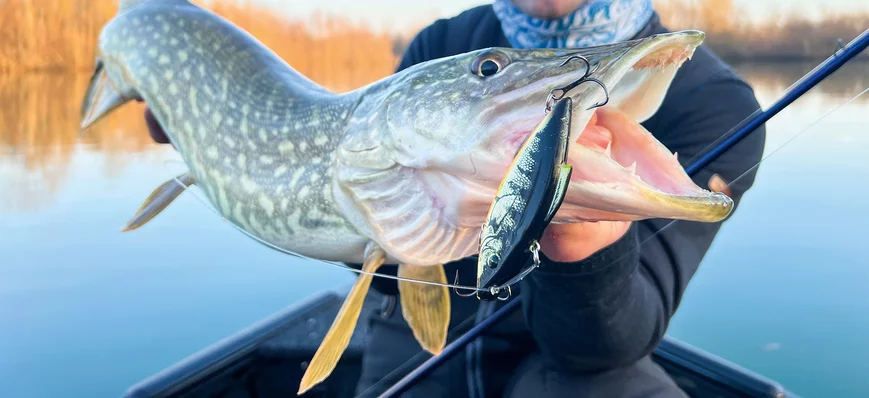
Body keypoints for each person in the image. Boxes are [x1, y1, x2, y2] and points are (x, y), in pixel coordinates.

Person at [144, 0, 766, 396]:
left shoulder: (713, 104)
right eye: (490, 71)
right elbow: (390, 274)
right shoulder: (444, 45)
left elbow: (611, 343)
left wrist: (584, 242)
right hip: (411, 344)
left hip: (573, 369)